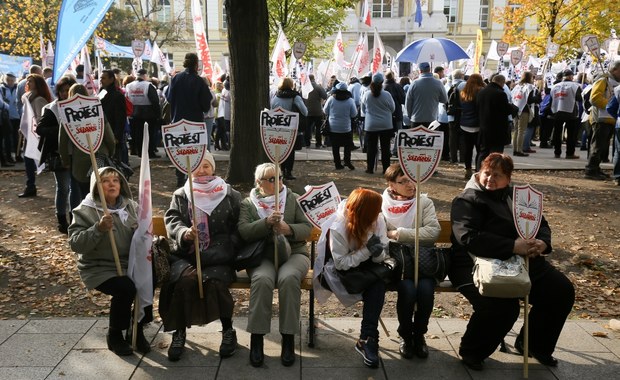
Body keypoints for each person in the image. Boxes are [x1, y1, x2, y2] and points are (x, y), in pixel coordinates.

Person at [449, 153, 575, 371]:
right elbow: (468, 238)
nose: (489, 179)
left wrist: (542, 242)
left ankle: (534, 345)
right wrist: (512, 246)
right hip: (473, 264)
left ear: (508, 178)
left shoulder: (520, 198)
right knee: (503, 308)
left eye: (497, 175)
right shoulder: (467, 199)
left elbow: (541, 224)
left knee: (560, 291)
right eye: (486, 173)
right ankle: (472, 350)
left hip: (521, 262)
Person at [161, 153, 241, 361]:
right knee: (184, 281)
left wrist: (229, 246)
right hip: (187, 254)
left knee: (214, 282)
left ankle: (228, 330)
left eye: (206, 166)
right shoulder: (182, 194)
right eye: (197, 166)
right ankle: (179, 333)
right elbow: (172, 219)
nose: (201, 170)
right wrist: (184, 233)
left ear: (213, 169)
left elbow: (239, 225)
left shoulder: (229, 193)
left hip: (219, 255)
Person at [68, 167, 152, 356]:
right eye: (105, 181)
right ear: (96, 187)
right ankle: (115, 334)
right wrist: (97, 229)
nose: (112, 184)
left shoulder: (130, 206)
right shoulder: (85, 210)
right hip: (99, 267)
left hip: (128, 262)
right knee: (126, 288)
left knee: (147, 279)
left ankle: (137, 329)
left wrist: (143, 232)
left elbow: (144, 234)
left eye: (116, 180)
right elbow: (75, 244)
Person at [237, 163, 312, 367]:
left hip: (294, 253)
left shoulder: (293, 199)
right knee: (262, 280)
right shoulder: (248, 203)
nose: (277, 182)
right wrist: (266, 223)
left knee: (288, 278)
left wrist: (289, 229)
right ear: (258, 183)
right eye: (270, 179)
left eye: (279, 177)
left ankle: (288, 339)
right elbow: (243, 230)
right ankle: (257, 339)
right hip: (263, 256)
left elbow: (308, 227)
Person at [324, 188, 390, 368]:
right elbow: (340, 263)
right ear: (364, 213)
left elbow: (382, 253)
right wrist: (366, 250)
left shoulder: (378, 219)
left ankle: (367, 338)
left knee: (377, 283)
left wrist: (377, 253)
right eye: (375, 211)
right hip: (344, 271)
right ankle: (368, 339)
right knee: (375, 283)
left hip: (370, 268)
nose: (379, 214)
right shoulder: (339, 226)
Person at [382, 164, 440, 359]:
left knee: (425, 291)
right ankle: (406, 336)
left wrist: (398, 234)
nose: (410, 184)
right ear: (391, 184)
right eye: (403, 181)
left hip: (422, 262)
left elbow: (432, 233)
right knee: (407, 291)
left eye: (412, 179)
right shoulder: (381, 203)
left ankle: (419, 335)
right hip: (396, 264)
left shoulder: (424, 202)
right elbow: (378, 234)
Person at [59, 84, 116, 205]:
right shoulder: (97, 110)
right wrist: (111, 152)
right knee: (103, 194)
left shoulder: (66, 113)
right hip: (101, 157)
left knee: (86, 196)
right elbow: (110, 138)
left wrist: (66, 161)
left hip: (80, 162)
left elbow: (62, 142)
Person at [35, 76, 77, 233]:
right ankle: (62, 220)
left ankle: (74, 220)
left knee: (76, 189)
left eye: (69, 90)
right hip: (59, 154)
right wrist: (61, 129)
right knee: (63, 188)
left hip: (77, 154)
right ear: (58, 91)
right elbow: (40, 129)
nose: (66, 93)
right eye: (63, 90)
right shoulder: (52, 108)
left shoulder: (79, 106)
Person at [165, 53, 214, 187]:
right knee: (195, 150)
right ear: (196, 65)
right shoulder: (199, 81)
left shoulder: (175, 79)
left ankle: (180, 178)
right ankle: (192, 177)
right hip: (195, 123)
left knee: (179, 151)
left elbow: (168, 97)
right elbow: (206, 104)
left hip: (178, 121)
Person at [18, 73, 53, 198]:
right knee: (27, 160)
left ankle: (30, 186)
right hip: (29, 134)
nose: (28, 83)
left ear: (37, 84)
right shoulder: (28, 98)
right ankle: (30, 185)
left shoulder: (38, 99)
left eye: (31, 81)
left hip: (35, 135)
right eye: (27, 81)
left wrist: (31, 125)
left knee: (30, 160)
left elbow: (40, 119)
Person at [585, 60, 620, 180]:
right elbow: (594, 98)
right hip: (600, 118)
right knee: (597, 146)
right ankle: (590, 170)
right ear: (615, 69)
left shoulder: (614, 82)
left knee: (603, 147)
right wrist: (611, 106)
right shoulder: (603, 81)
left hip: (610, 119)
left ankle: (596, 168)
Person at [476, 74, 517, 170]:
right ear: (501, 82)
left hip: (484, 126)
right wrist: (513, 108)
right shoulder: (500, 94)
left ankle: (479, 171)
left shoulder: (481, 92)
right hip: (497, 128)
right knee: (496, 154)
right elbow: (505, 109)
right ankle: (493, 171)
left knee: (483, 152)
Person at [271, 77, 308, 180]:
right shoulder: (295, 97)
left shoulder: (276, 96)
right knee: (290, 150)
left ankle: (282, 170)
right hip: (292, 127)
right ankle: (288, 171)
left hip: (279, 127)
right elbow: (305, 112)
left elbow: (272, 110)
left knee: (282, 149)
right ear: (291, 85)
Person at [361, 72, 395, 174]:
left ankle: (370, 168)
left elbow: (363, 109)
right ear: (382, 81)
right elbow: (393, 108)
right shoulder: (387, 95)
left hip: (371, 125)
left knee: (371, 147)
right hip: (386, 124)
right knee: (385, 148)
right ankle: (386, 169)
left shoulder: (367, 94)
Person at [125, 69, 161, 158]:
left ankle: (138, 151)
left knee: (136, 134)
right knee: (149, 134)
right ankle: (150, 152)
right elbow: (155, 101)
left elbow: (126, 99)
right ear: (145, 75)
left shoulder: (129, 86)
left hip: (133, 114)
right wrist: (158, 115)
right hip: (148, 114)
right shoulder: (148, 85)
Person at [323, 82, 357, 170]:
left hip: (333, 127)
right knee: (347, 146)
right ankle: (347, 161)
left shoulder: (331, 99)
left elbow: (325, 111)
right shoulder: (350, 100)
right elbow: (354, 114)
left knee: (335, 147)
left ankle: (337, 164)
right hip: (346, 127)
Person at [550, 69, 582, 159]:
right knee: (571, 134)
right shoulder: (575, 86)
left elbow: (551, 99)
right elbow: (579, 98)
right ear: (571, 76)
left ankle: (557, 152)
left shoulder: (555, 86)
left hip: (557, 110)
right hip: (571, 111)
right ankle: (570, 153)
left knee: (557, 133)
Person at [405, 62, 448, 127]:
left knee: (417, 137)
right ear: (429, 70)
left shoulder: (414, 83)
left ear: (420, 71)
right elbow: (444, 100)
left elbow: (408, 102)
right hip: (432, 119)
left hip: (416, 119)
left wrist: (410, 115)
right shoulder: (438, 83)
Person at [458, 73, 485, 178]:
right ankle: (478, 169)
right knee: (479, 149)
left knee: (467, 149)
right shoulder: (481, 91)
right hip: (478, 124)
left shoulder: (463, 92)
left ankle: (468, 169)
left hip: (465, 124)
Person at [99, 69, 128, 163]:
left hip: (113, 134)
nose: (101, 80)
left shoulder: (118, 96)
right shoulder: (101, 93)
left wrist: (117, 136)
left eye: (104, 78)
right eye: (100, 78)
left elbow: (120, 118)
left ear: (111, 79)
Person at [511, 72, 537, 157]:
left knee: (516, 130)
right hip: (524, 110)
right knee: (521, 131)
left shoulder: (517, 86)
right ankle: (519, 150)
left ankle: (515, 149)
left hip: (516, 109)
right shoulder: (529, 86)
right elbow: (529, 100)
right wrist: (538, 97)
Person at [304, 74, 328, 148]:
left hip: (307, 111)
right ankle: (318, 143)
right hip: (317, 111)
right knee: (318, 128)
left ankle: (307, 143)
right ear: (314, 78)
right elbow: (325, 96)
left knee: (307, 128)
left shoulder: (304, 87)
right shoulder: (318, 87)